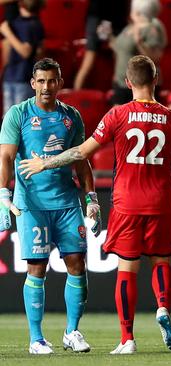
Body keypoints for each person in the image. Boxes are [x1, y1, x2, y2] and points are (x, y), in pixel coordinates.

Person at [18, 55, 171, 355]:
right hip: (160, 201)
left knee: (127, 268)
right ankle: (162, 307)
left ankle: (127, 339)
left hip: (127, 202)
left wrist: (46, 163)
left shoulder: (118, 115)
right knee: (161, 260)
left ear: (127, 82)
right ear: (156, 80)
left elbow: (81, 152)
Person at [0, 58, 100, 354]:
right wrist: (4, 195)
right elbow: (6, 157)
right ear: (32, 84)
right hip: (32, 204)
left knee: (78, 265)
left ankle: (72, 332)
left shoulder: (72, 117)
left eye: (52, 81)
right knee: (37, 268)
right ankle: (36, 339)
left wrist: (91, 199)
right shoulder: (17, 114)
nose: (46, 87)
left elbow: (82, 161)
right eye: (41, 81)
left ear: (60, 82)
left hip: (67, 203)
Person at [109, 0, 167, 105]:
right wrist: (108, 35)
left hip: (140, 85)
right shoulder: (130, 27)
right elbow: (119, 47)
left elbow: (156, 58)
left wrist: (139, 43)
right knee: (119, 119)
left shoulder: (152, 28)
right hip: (121, 83)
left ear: (138, 11)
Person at [73, 0, 129, 90]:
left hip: (112, 18)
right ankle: (75, 96)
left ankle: (118, 95)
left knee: (119, 59)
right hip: (101, 17)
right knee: (89, 60)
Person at [0, 0, 44, 115]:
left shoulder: (32, 25)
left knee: (21, 119)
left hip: (23, 79)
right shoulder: (17, 23)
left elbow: (26, 52)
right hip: (11, 77)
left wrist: (7, 32)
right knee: (9, 120)